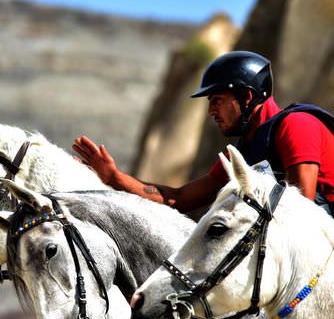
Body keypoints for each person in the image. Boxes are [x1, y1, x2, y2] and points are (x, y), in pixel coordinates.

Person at [73, 50, 334, 215]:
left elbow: (302, 211)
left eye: (217, 100)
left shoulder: (296, 125)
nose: (211, 111)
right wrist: (113, 178)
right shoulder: (243, 151)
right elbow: (180, 199)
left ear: (246, 97)